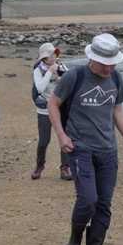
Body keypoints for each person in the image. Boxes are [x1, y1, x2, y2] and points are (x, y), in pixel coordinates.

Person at [48, 32, 123, 245]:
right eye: (104, 64)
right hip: (80, 147)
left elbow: (117, 110)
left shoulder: (116, 78)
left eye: (112, 64)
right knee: (88, 199)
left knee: (104, 204)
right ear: (92, 58)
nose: (109, 68)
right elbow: (53, 104)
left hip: (108, 150)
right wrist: (61, 135)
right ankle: (75, 240)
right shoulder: (75, 76)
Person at [31, 43, 71, 181]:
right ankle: (39, 166)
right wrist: (50, 72)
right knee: (44, 140)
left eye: (54, 54)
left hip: (61, 108)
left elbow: (70, 83)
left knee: (64, 138)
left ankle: (65, 168)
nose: (53, 57)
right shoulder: (38, 70)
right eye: (50, 55)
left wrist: (60, 78)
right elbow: (40, 88)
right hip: (44, 109)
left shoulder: (62, 67)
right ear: (43, 58)